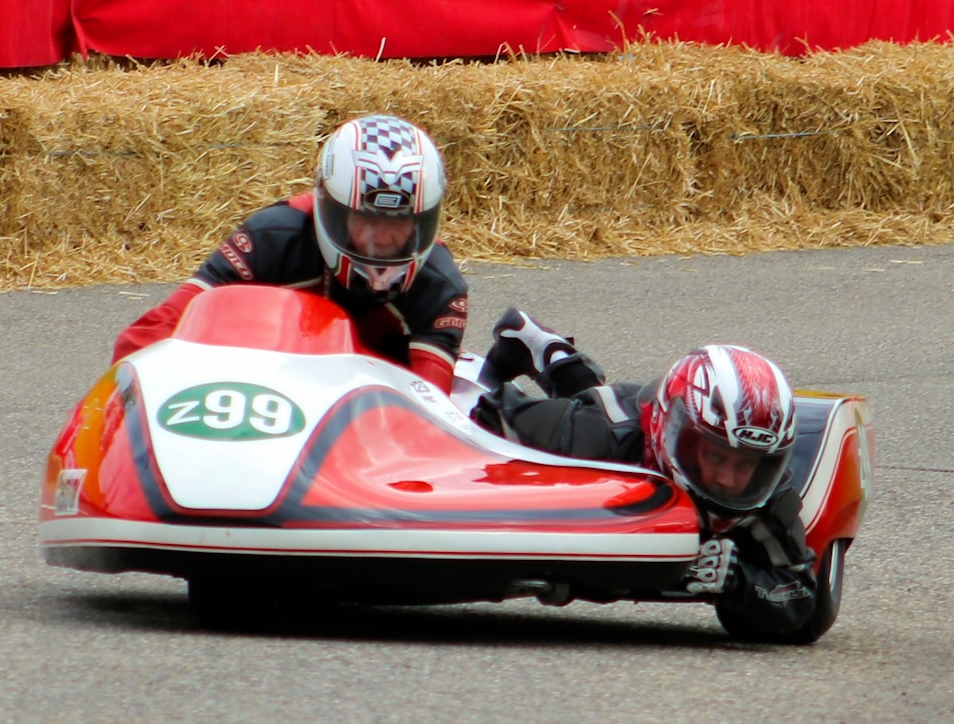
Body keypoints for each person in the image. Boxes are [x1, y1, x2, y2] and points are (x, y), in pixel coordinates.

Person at [471, 308, 818, 636]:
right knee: (587, 400)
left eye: (744, 464)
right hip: (611, 419)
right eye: (715, 457)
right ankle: (545, 348)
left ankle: (553, 353)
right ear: (674, 432)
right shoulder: (593, 434)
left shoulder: (767, 490)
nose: (727, 479)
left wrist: (742, 582)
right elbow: (485, 414)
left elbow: (800, 598)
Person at [112, 114, 469, 394]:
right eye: (366, 220)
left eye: (400, 224)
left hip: (368, 425)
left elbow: (429, 406)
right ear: (331, 208)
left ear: (424, 222)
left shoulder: (440, 287)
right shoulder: (272, 239)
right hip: (256, 397)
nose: (382, 240)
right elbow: (149, 334)